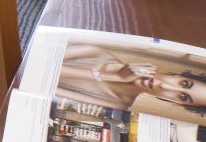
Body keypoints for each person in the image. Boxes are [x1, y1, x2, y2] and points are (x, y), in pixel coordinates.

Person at [56, 41, 206, 122]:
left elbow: (50, 91)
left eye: (183, 97)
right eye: (184, 83)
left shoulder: (119, 105)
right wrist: (107, 74)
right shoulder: (95, 52)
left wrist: (110, 76)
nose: (165, 86)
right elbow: (46, 65)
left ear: (176, 102)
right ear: (178, 75)